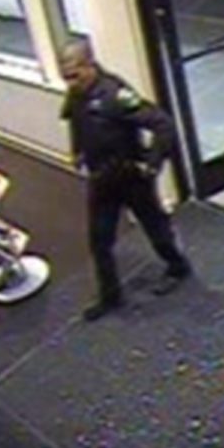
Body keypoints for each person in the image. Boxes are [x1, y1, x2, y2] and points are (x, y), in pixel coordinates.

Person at [59, 40, 192, 321]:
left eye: (74, 74)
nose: (70, 82)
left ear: (90, 65)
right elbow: (76, 121)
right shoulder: (76, 94)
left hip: (131, 178)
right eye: (66, 76)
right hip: (101, 179)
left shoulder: (116, 94)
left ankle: (177, 267)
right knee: (99, 241)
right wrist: (77, 152)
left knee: (156, 229)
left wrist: (152, 164)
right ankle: (111, 295)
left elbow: (163, 124)